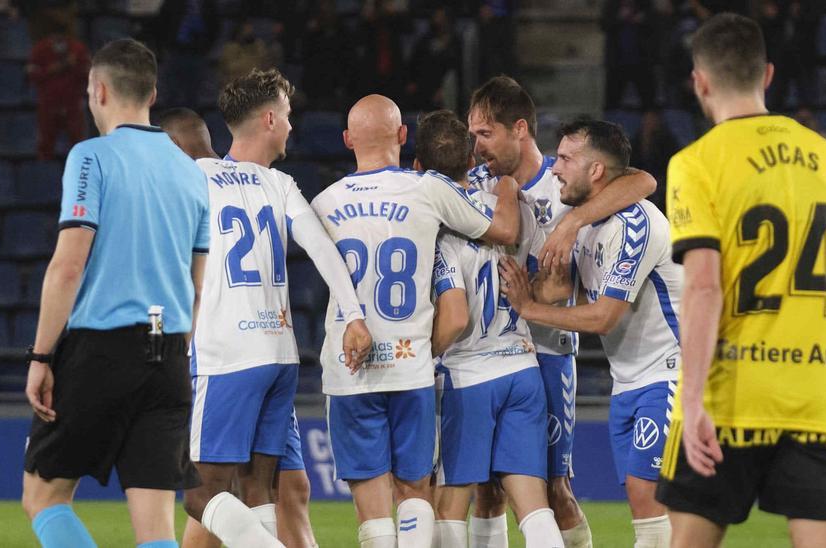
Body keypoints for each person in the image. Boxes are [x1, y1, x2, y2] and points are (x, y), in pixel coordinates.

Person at [657, 13, 826, 548]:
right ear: (767, 74)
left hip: (730, 397)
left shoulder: (696, 162)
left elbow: (704, 287)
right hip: (816, 395)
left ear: (700, 81)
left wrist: (694, 399)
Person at [20, 38, 209, 548]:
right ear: (152, 93)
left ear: (97, 90)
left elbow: (69, 265)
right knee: (154, 529)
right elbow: (197, 284)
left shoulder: (91, 157)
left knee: (44, 496)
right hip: (168, 353)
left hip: (103, 347)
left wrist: (41, 355)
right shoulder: (191, 173)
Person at [310, 94, 522, 548]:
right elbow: (505, 231)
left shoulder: (323, 203)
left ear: (347, 140)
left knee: (371, 505)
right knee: (415, 493)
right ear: (403, 136)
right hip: (411, 364)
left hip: (351, 367)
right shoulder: (428, 188)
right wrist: (505, 184)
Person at [175, 69, 372, 548]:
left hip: (227, 355)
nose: (290, 126)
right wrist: (355, 317)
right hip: (279, 355)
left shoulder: (196, 176)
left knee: (201, 495)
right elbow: (325, 252)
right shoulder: (281, 184)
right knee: (260, 492)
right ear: (267, 119)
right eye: (285, 116)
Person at [464, 75, 658, 548]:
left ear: (520, 129)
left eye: (485, 134)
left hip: (548, 354)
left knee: (554, 490)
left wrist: (572, 220)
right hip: (486, 356)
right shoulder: (475, 184)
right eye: (471, 135)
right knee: (486, 491)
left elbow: (642, 180)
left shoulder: (563, 181)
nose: (476, 146)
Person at [499, 118, 678, 548]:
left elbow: (602, 318)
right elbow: (569, 292)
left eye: (564, 159)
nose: (554, 168)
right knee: (647, 504)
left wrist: (529, 307)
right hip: (628, 379)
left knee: (646, 497)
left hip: (672, 374)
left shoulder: (637, 226)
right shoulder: (586, 224)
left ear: (596, 171)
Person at [414, 109, 565, 548]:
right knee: (533, 507)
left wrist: (424, 358)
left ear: (420, 170)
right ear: (468, 161)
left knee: (450, 508)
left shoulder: (441, 231)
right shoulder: (511, 210)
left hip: (469, 378)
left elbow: (456, 316)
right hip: (523, 369)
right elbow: (552, 284)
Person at [26, 19, 89, 160]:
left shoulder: (77, 49)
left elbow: (87, 74)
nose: (58, 39)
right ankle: (44, 174)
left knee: (78, 144)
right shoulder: (40, 49)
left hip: (72, 103)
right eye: (55, 37)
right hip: (48, 103)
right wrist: (55, 68)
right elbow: (32, 75)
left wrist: (74, 66)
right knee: (45, 144)